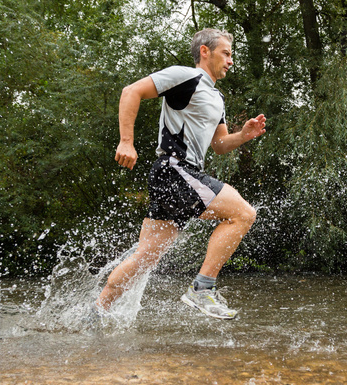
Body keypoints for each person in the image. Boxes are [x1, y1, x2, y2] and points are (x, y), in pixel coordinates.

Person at [93, 28, 266, 320]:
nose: (231, 61)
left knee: (146, 257)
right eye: (226, 53)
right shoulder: (186, 76)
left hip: (176, 175)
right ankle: (201, 289)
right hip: (174, 169)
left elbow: (220, 145)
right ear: (205, 52)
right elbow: (131, 91)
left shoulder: (216, 97)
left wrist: (243, 136)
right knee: (243, 214)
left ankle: (97, 312)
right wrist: (126, 141)